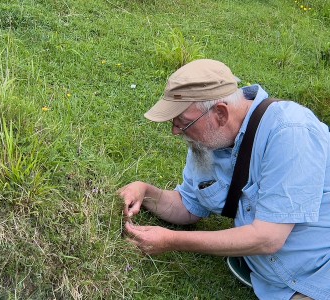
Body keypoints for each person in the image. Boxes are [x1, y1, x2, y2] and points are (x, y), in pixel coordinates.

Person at [118, 59, 330, 300]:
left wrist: (172, 240)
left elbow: (268, 238)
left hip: (319, 274)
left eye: (183, 122)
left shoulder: (290, 131)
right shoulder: (207, 140)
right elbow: (188, 206)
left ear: (220, 113)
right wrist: (145, 192)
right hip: (275, 285)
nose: (176, 131)